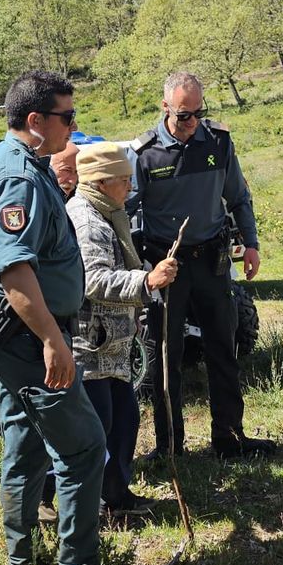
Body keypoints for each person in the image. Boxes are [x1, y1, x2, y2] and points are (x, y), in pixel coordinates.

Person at [0, 69, 141, 565]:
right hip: (26, 332)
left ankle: (23, 564)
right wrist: (52, 340)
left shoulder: (22, 166)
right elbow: (15, 272)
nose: (74, 126)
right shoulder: (18, 176)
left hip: (16, 332)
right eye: (67, 117)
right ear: (36, 121)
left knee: (23, 444)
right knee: (85, 446)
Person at [130, 71, 274, 460]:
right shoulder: (144, 154)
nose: (191, 122)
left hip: (212, 262)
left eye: (198, 113)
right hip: (168, 266)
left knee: (223, 351)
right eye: (182, 115)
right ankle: (170, 446)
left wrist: (252, 245)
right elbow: (124, 212)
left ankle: (229, 438)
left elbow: (239, 197)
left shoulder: (218, 142)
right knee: (166, 357)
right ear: (165, 109)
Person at [66, 143, 179, 518]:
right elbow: (93, 279)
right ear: (101, 181)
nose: (131, 187)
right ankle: (96, 506)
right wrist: (146, 281)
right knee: (100, 428)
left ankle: (117, 496)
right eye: (125, 179)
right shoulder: (87, 221)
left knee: (124, 419)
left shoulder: (108, 212)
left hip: (111, 344)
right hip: (91, 345)